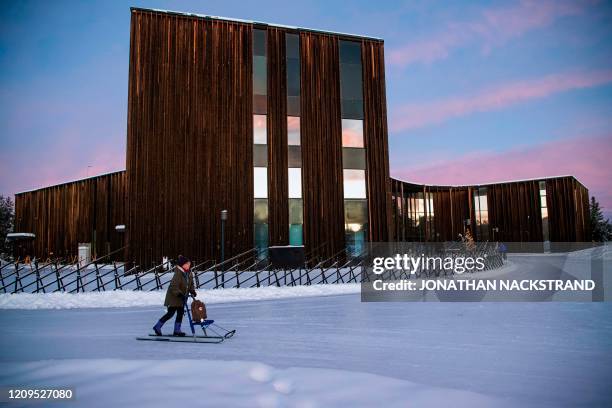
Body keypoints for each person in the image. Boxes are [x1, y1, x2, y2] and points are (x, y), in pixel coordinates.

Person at [152, 255, 197, 336]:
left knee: (180, 313)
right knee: (170, 313)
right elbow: (173, 286)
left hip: (182, 297)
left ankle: (177, 330)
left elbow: (190, 284)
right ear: (182, 265)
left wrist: (192, 291)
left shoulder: (189, 273)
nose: (188, 265)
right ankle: (157, 326)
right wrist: (179, 293)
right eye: (187, 264)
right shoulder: (178, 274)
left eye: (189, 264)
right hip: (174, 297)